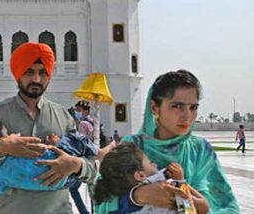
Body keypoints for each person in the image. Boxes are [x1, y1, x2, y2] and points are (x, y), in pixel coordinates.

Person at [0, 42, 98, 214]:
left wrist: (75, 165)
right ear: (18, 74)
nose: (36, 79)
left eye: (43, 73)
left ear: (49, 76)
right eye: (29, 72)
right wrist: (1, 149)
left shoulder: (63, 116)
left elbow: (92, 169)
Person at [97, 70, 239, 213]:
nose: (187, 115)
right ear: (154, 108)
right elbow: (101, 203)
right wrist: (138, 196)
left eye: (193, 107)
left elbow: (226, 207)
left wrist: (185, 193)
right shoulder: (133, 147)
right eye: (177, 106)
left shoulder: (200, 150)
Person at [94, 142, 208, 214]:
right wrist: (180, 182)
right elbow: (195, 209)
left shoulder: (117, 191)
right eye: (150, 162)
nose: (155, 165)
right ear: (140, 175)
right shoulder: (163, 187)